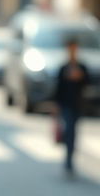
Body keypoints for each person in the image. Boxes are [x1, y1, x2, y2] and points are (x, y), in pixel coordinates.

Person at [53, 37, 89, 178]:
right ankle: (68, 160)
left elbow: (88, 83)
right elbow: (58, 87)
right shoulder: (63, 67)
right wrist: (56, 105)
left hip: (78, 105)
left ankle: (70, 157)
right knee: (68, 131)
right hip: (66, 104)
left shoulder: (82, 67)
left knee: (73, 132)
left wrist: (80, 77)